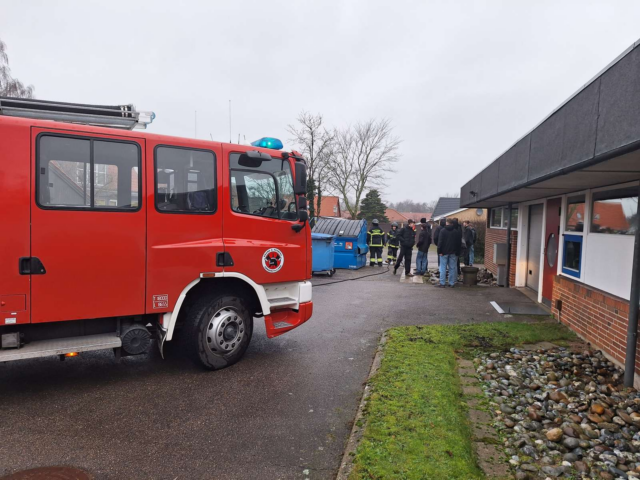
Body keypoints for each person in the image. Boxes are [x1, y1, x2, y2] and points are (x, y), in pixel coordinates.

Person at [437, 218, 462, 287]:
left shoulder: (442, 231)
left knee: (443, 268)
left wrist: (439, 251)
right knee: (452, 268)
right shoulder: (456, 232)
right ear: (452, 223)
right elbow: (458, 243)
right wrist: (457, 252)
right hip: (453, 252)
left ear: (446, 223)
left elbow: (440, 242)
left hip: (444, 252)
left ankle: (442, 283)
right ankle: (451, 283)